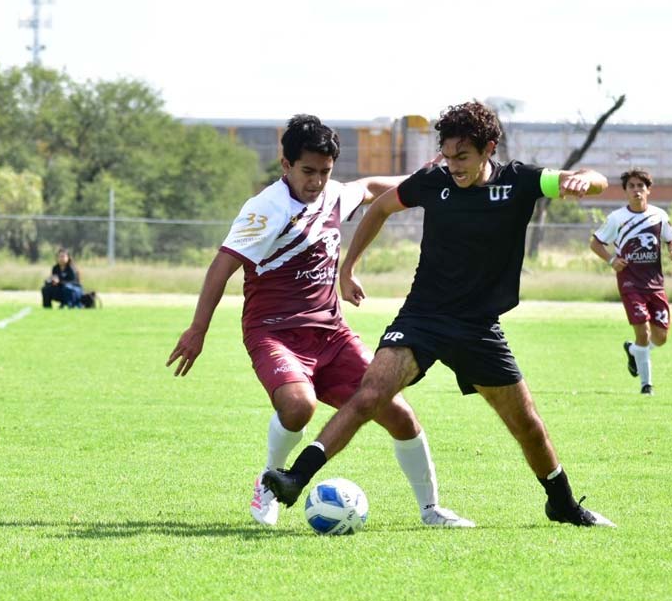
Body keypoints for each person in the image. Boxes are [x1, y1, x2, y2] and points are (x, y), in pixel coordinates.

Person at [263, 101, 616, 528]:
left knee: (527, 426)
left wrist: (583, 181)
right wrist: (349, 268)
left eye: (462, 157)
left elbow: (596, 181)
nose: (452, 166)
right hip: (422, 319)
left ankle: (561, 503)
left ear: (489, 149)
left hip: (478, 328)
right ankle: (296, 477)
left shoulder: (520, 181)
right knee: (370, 394)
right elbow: (379, 208)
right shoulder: (433, 181)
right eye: (446, 156)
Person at [166, 114, 473, 529]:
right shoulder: (264, 209)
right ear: (285, 165)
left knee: (399, 413)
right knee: (298, 407)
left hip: (331, 334)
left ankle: (431, 509)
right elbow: (222, 268)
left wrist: (424, 178)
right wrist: (197, 330)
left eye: (325, 173)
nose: (316, 182)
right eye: (307, 171)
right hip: (274, 332)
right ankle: (269, 482)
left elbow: (367, 188)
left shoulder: (332, 195)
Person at [589, 167, 672, 396]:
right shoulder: (617, 218)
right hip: (630, 284)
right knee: (644, 334)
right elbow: (596, 243)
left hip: (655, 284)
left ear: (648, 190)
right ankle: (646, 385)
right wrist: (611, 260)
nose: (637, 190)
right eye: (632, 186)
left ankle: (633, 351)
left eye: (641, 186)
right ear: (626, 191)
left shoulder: (659, 215)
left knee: (661, 338)